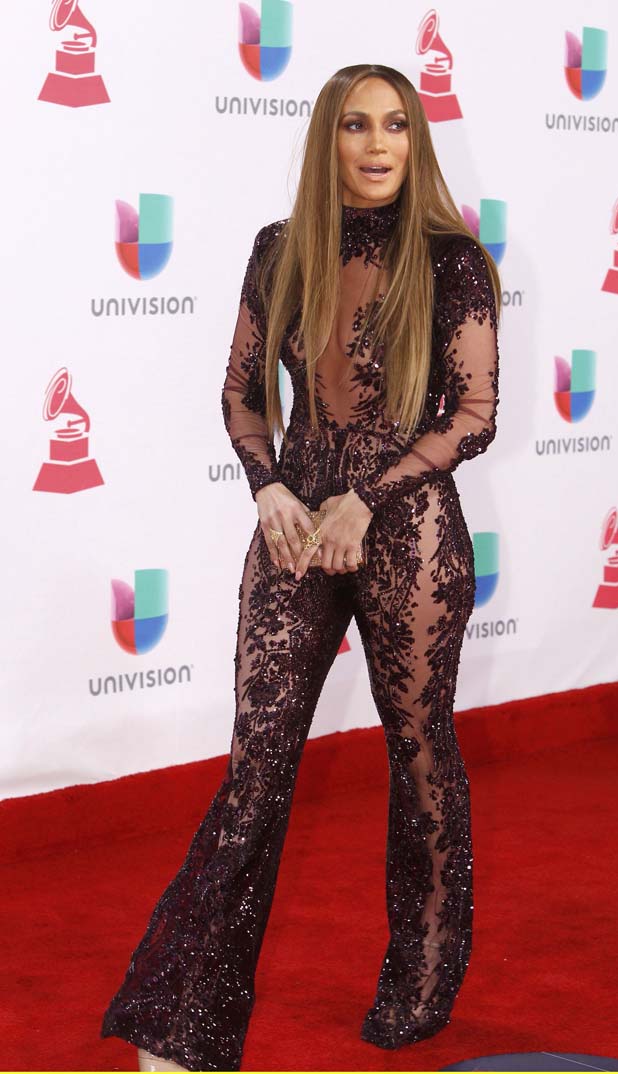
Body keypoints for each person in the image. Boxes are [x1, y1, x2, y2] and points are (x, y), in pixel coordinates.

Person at [100, 62, 501, 1072]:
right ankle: (186, 1021)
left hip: (405, 530)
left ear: (417, 141)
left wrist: (365, 501)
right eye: (356, 126)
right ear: (326, 140)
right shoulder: (281, 252)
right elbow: (241, 391)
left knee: (418, 757)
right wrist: (270, 486)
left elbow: (474, 416)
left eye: (396, 126)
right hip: (293, 527)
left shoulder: (453, 259)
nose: (375, 145)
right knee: (258, 765)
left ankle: (419, 983)